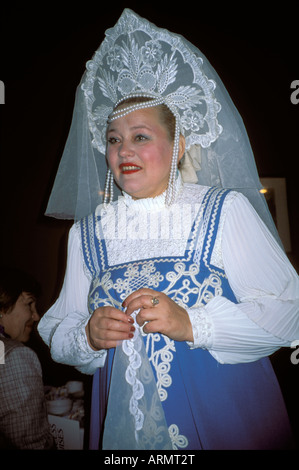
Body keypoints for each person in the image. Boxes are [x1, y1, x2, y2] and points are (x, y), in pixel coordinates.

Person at [38, 9, 299, 450]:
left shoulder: (224, 210)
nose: (123, 149)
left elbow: (290, 308)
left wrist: (193, 323)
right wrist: (87, 335)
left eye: (141, 136)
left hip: (227, 417)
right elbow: (58, 330)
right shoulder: (85, 235)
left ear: (177, 146)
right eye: (114, 138)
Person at [0, 267, 54, 449]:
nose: (36, 316)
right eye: (29, 304)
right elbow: (32, 443)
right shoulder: (16, 355)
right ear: (2, 307)